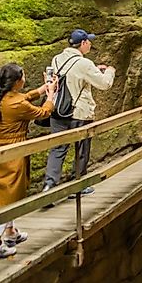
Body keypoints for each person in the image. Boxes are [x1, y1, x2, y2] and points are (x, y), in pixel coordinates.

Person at [0, 63, 56, 261]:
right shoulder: (17, 105)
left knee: (8, 192)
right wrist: (50, 97)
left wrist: (42, 89)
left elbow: (22, 98)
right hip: (13, 153)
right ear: (17, 82)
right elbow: (43, 112)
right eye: (22, 77)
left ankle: (11, 232)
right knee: (6, 199)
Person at [43, 30, 115, 196]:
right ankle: (79, 184)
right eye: (88, 41)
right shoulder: (84, 63)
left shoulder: (56, 59)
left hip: (58, 111)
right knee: (81, 148)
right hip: (79, 113)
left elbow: (68, 77)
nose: (90, 43)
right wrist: (110, 70)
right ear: (83, 43)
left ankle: (49, 186)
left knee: (57, 149)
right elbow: (104, 84)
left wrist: (93, 70)